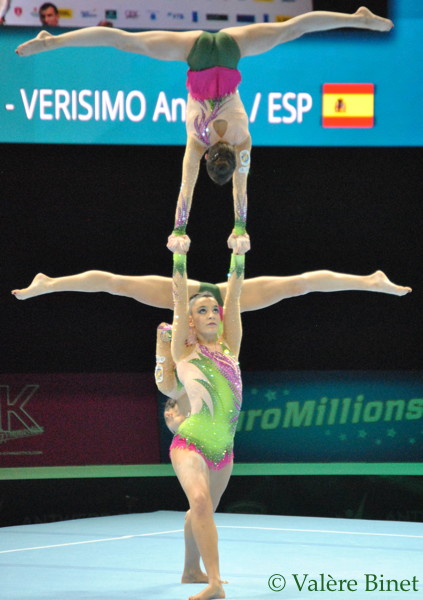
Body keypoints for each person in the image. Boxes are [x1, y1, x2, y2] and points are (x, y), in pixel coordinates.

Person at [15, 7, 394, 251]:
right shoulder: (199, 143)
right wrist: (184, 230)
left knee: (292, 29)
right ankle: (53, 41)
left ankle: (358, 19)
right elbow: (188, 189)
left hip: (228, 51)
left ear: (219, 156)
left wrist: (236, 227)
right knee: (124, 41)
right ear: (212, 157)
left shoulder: (240, 143)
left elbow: (237, 188)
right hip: (196, 53)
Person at [165, 229, 246, 600]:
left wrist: (238, 254)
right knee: (199, 503)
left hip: (224, 449)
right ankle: (214, 583)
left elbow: (236, 296)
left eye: (215, 309)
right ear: (190, 322)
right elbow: (178, 296)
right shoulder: (185, 353)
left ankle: (190, 571)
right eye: (202, 311)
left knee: (202, 509)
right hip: (191, 442)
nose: (211, 314)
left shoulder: (231, 349)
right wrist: (179, 257)